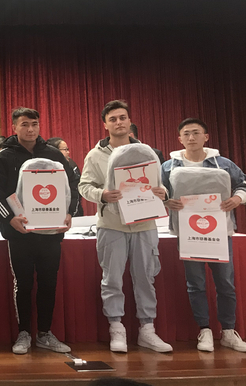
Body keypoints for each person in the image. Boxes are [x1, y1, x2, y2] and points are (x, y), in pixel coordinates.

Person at [79, 100, 172, 353]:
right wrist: (102, 194)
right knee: (112, 279)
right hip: (111, 225)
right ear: (105, 124)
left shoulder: (147, 152)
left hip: (145, 224)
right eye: (113, 119)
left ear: (130, 121)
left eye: (122, 117)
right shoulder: (95, 155)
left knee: (146, 277)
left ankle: (147, 329)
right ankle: (116, 328)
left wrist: (163, 192)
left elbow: (162, 184)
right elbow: (84, 186)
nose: (118, 122)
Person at [0, 109, 77, 354]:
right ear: (14, 127)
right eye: (24, 124)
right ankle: (24, 333)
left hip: (51, 233)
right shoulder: (4, 156)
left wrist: (70, 212)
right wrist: (9, 219)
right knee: (23, 284)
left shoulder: (54, 154)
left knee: (49, 283)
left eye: (34, 124)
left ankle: (45, 333)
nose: (30, 129)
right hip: (20, 234)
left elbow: (72, 185)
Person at [161, 118, 246, 352]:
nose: (191, 137)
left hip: (220, 231)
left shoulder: (223, 164)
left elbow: (243, 184)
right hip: (187, 231)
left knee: (225, 283)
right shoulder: (169, 166)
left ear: (206, 137)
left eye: (196, 133)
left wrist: (237, 198)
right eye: (186, 134)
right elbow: (158, 191)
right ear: (179, 139)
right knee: (195, 284)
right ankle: (205, 330)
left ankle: (228, 331)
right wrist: (167, 201)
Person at [47, 137, 84, 216]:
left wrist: (71, 212)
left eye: (67, 149)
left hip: (72, 213)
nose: (68, 152)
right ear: (55, 151)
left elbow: (77, 191)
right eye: (65, 150)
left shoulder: (71, 166)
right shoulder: (44, 168)